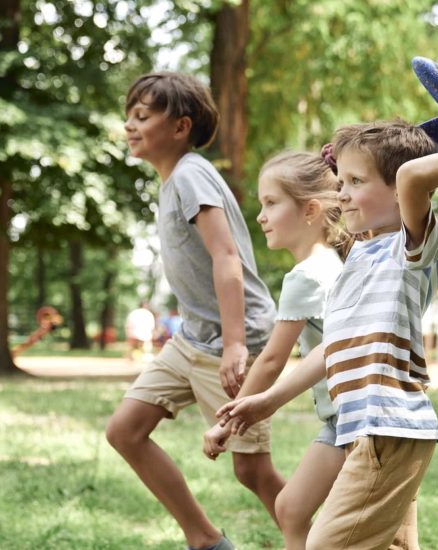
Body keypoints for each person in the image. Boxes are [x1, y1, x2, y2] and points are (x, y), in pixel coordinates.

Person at [218, 122, 438, 549]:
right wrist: (265, 401)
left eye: (356, 182)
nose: (341, 193)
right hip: (367, 430)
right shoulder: (359, 257)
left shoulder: (412, 250)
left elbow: (412, 177)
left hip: (388, 429)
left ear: (399, 194)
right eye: (341, 181)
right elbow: (334, 347)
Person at [105, 71, 283, 550]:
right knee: (125, 431)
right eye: (129, 116)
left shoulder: (190, 173)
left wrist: (234, 345)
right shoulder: (172, 182)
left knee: (252, 470)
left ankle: (324, 543)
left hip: (233, 336)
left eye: (142, 116)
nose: (130, 126)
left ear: (180, 127)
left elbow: (226, 257)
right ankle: (205, 540)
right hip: (191, 339)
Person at [201, 150, 346, 549]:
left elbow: (270, 361)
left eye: (271, 203)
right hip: (343, 419)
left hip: (349, 423)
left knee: (296, 512)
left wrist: (226, 423)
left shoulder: (306, 277)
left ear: (310, 210)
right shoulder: (334, 264)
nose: (261, 216)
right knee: (290, 510)